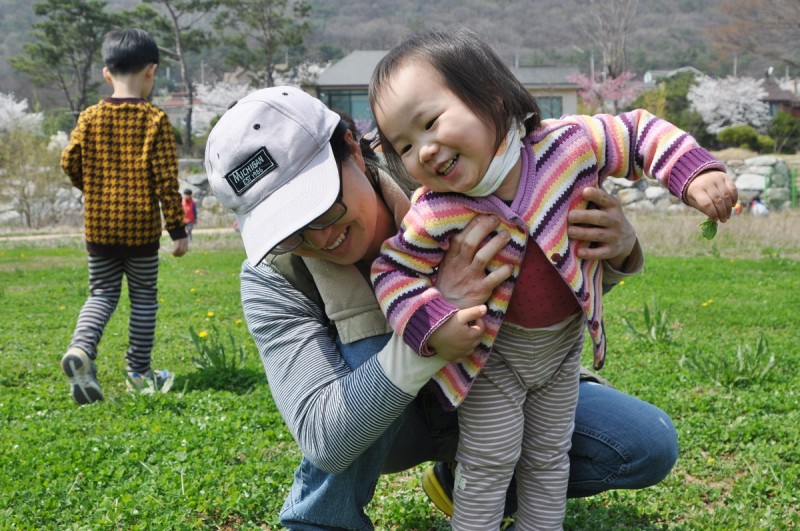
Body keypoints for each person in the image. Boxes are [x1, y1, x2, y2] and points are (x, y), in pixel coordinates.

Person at [205, 85, 681, 530]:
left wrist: (614, 250)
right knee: (365, 349)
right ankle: (320, 520)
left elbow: (542, 293)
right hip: (393, 426)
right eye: (290, 231)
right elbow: (324, 437)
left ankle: (465, 483)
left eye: (322, 207)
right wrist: (432, 323)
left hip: (504, 382)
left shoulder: (444, 174)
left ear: (353, 148)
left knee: (645, 444)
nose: (320, 237)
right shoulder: (273, 276)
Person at [368, 28, 737, 529]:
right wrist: (434, 321)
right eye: (405, 146)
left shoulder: (570, 146)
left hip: (562, 353)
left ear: (492, 95)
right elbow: (392, 272)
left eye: (431, 123)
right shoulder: (436, 211)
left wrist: (693, 173)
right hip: (493, 360)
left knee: (548, 457)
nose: (425, 151)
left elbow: (638, 132)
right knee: (489, 460)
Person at [60, 28, 188, 405]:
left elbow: (69, 160)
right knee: (144, 298)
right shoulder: (155, 119)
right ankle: (138, 372)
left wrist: (94, 188)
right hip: (141, 232)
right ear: (152, 72)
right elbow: (167, 180)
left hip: (99, 226)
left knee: (101, 293)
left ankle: (81, 351)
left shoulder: (90, 116)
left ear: (106, 74)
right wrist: (177, 230)